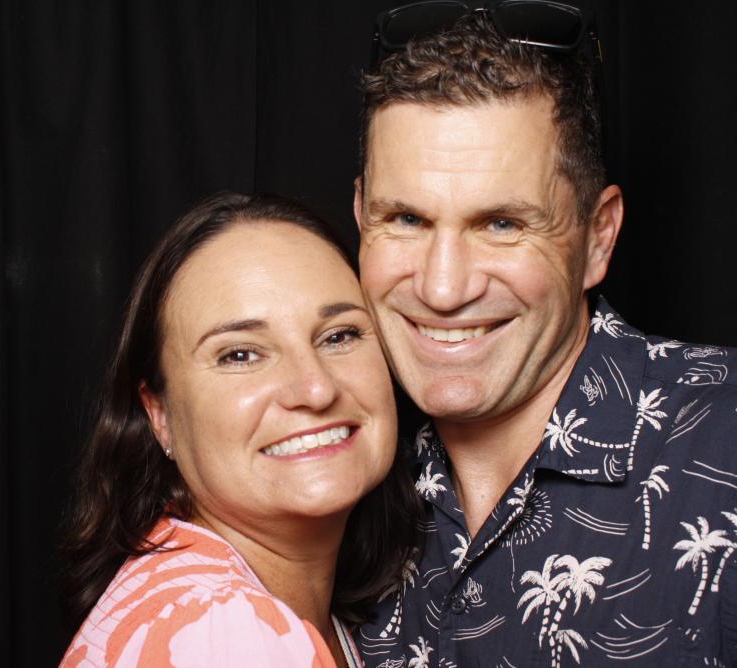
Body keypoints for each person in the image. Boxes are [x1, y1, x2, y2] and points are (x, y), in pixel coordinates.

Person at [352, 4, 737, 667]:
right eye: (407, 219)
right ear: (361, 217)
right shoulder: (334, 468)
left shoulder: (723, 448)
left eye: (502, 224)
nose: (443, 288)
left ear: (598, 238)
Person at [58, 192, 421, 667]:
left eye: (339, 336)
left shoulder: (226, 603)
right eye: (240, 355)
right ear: (159, 414)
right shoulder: (222, 629)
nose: (315, 389)